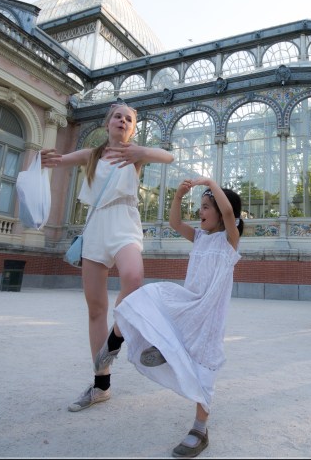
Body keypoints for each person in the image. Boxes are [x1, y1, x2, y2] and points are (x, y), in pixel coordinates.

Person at [40, 103, 175, 411]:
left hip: (125, 222)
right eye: (118, 116)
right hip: (97, 225)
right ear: (107, 122)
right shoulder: (93, 155)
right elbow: (59, 161)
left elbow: (169, 156)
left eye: (129, 119)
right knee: (95, 308)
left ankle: (114, 342)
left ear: (132, 128)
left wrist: (140, 152)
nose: (122, 120)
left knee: (133, 277)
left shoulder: (135, 154)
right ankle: (101, 385)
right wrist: (43, 158)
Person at [113, 177, 243, 458]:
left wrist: (209, 181)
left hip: (209, 315)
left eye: (207, 206)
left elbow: (231, 214)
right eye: (201, 206)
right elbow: (175, 223)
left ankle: (199, 428)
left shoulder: (229, 240)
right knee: (154, 296)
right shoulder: (199, 237)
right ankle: (156, 348)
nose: (201, 212)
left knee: (205, 366)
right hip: (187, 304)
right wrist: (177, 197)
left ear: (221, 212)